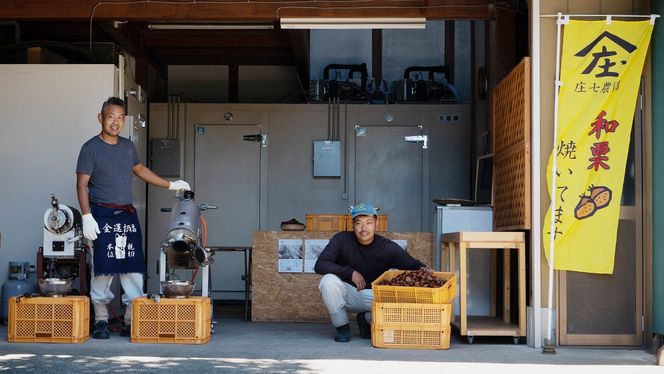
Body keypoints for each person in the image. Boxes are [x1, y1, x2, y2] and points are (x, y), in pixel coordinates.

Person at [76, 97, 191, 339]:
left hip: (126, 214)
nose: (115, 122)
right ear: (101, 118)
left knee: (132, 268)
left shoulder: (128, 147)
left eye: (120, 117)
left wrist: (170, 185)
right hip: (101, 214)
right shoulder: (90, 148)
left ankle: (131, 319)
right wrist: (87, 216)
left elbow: (140, 170)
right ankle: (101, 322)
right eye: (111, 117)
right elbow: (81, 184)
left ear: (124, 120)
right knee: (103, 270)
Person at [314, 203, 428, 342]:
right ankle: (342, 327)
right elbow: (320, 264)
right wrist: (350, 273)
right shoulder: (341, 239)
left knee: (400, 313)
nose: (363, 229)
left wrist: (425, 270)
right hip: (349, 293)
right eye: (359, 223)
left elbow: (413, 265)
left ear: (376, 224)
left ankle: (365, 319)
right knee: (328, 281)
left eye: (368, 223)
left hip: (375, 297)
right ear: (353, 225)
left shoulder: (387, 247)